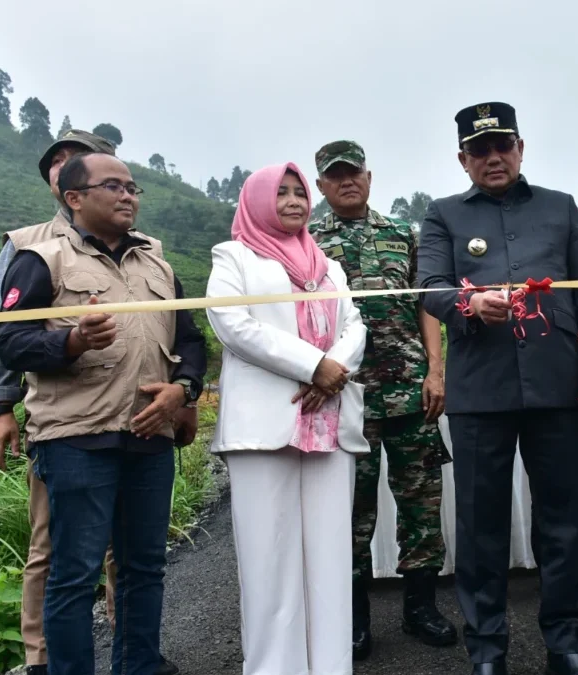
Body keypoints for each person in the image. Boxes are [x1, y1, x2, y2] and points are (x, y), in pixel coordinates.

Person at [417, 101, 578, 675]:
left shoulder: (559, 209)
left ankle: (567, 643)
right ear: (463, 159)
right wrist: (468, 303)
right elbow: (428, 288)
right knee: (480, 527)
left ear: (521, 148)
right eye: (479, 150)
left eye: (502, 145)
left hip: (559, 387)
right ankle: (486, 650)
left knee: (563, 519)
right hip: (481, 392)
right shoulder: (443, 215)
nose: (493, 157)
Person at [0, 151, 206, 675]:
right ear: (74, 198)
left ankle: (139, 666)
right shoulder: (41, 258)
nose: (127, 194)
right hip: (75, 441)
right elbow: (12, 343)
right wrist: (71, 341)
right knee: (74, 572)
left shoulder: (156, 260)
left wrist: (184, 389)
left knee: (143, 569)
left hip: (148, 437)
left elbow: (191, 340)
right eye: (112, 186)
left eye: (132, 186)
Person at [206, 162, 370, 675]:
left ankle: (331, 666)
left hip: (329, 420)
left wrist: (334, 370)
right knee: (269, 561)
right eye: (282, 193)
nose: (295, 201)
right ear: (256, 200)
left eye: (300, 193)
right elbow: (232, 324)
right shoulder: (233, 256)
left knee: (328, 560)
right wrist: (312, 365)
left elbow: (355, 323)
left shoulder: (327, 265)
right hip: (265, 428)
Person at [308, 140, 456, 659]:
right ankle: (355, 619)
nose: (348, 181)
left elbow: (428, 307)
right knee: (352, 511)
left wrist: (435, 371)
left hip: (412, 391)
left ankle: (422, 609)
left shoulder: (401, 233)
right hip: (345, 396)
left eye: (355, 173)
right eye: (336, 175)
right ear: (322, 185)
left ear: (369, 178)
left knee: (421, 504)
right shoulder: (307, 242)